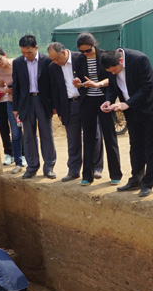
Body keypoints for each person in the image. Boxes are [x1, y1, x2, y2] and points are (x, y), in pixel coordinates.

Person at [101, 47, 153, 197]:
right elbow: (112, 86)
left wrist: (127, 103)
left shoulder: (140, 60)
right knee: (135, 146)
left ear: (121, 60)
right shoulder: (110, 64)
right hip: (132, 111)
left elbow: (147, 86)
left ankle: (148, 183)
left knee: (151, 147)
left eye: (114, 70)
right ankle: (136, 179)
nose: (113, 73)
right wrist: (109, 100)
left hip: (151, 108)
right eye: (110, 71)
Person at [47, 41, 100, 182]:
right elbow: (55, 91)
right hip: (69, 105)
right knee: (72, 139)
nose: (56, 62)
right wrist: (59, 111)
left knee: (93, 136)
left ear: (64, 52)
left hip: (86, 102)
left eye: (57, 58)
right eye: (53, 60)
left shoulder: (80, 58)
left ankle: (96, 167)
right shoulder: (53, 67)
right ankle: (74, 170)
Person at [74, 33, 121, 186]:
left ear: (94, 45)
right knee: (88, 138)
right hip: (87, 100)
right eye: (82, 51)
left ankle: (115, 174)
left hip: (104, 99)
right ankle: (87, 175)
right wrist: (78, 84)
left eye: (88, 50)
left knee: (109, 136)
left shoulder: (104, 56)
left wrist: (97, 84)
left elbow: (112, 78)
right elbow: (80, 80)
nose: (85, 53)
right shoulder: (79, 59)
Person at [11, 34, 56, 179]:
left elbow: (53, 85)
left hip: (43, 102)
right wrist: (15, 108)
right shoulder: (18, 63)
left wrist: (54, 105)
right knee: (29, 136)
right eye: (23, 52)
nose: (26, 55)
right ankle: (32, 166)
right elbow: (16, 86)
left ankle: (49, 166)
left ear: (36, 48)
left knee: (46, 134)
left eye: (29, 52)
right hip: (26, 102)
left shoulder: (46, 61)